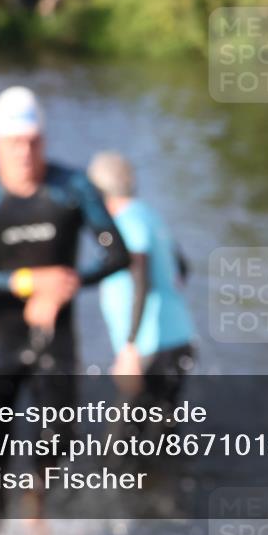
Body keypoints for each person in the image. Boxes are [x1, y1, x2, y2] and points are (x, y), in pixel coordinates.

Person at [0, 86, 130, 529]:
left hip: (55, 332)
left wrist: (65, 284)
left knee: (60, 434)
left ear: (44, 139)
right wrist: (26, 282)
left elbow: (117, 254)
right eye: (15, 143)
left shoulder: (73, 188)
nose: (25, 153)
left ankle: (35, 510)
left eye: (33, 142)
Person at [86, 152, 195, 408]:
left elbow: (141, 282)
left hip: (150, 347)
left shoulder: (126, 224)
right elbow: (183, 268)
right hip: (178, 338)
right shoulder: (147, 214)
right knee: (159, 429)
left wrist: (129, 349)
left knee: (121, 432)